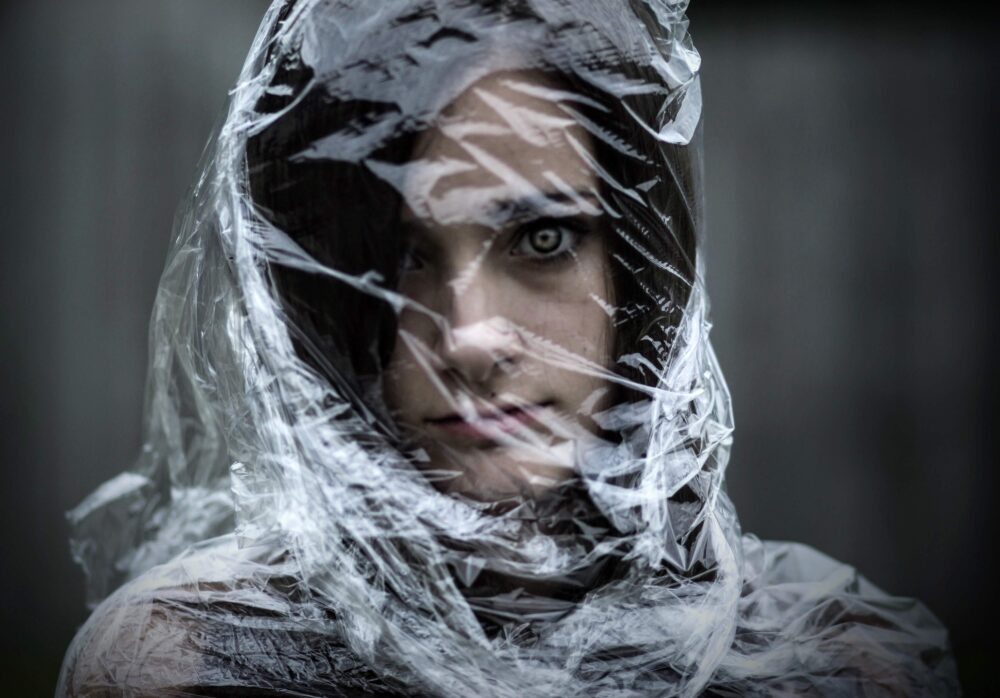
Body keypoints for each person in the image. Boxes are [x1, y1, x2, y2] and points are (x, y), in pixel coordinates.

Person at [59, 1, 959, 696]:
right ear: (303, 292)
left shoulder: (837, 669)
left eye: (541, 240)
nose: (470, 338)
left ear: (645, 269)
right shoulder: (185, 669)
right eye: (395, 258)